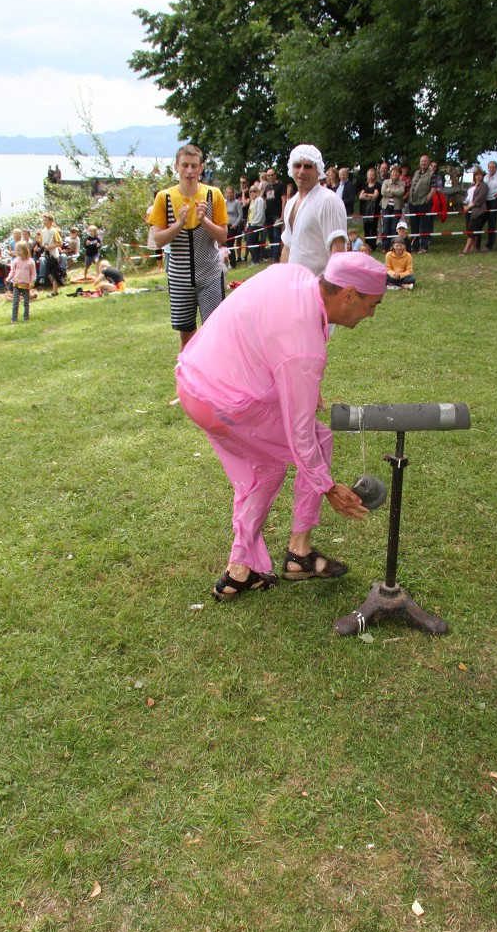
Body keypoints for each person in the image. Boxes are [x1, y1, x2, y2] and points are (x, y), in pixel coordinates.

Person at [175, 251, 387, 600]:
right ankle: (298, 554)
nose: (371, 314)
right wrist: (328, 486)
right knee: (317, 441)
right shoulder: (304, 349)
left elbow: (266, 337)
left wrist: (305, 389)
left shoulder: (292, 274)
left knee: (267, 469)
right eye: (372, 305)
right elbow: (301, 434)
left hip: (194, 382)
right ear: (348, 294)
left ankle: (239, 571)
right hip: (223, 400)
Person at [150, 143, 228, 352]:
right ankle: (187, 381)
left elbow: (223, 236)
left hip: (210, 273)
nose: (190, 171)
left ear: (201, 168)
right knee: (187, 334)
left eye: (194, 166)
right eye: (185, 165)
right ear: (176, 167)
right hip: (179, 276)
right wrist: (178, 225)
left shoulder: (213, 195)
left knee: (214, 331)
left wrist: (205, 221)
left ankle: (213, 379)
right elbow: (158, 240)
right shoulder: (164, 197)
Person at [280, 144, 348, 275]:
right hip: (295, 288)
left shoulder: (328, 200)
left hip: (320, 288)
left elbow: (338, 251)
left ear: (318, 170)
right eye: (297, 165)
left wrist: (328, 290)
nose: (301, 171)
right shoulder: (290, 203)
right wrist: (283, 283)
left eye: (308, 166)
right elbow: (288, 248)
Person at [37, 213, 67, 296]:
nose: (44, 222)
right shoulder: (42, 232)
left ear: (50, 221)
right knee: (49, 272)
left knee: (54, 272)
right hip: (46, 254)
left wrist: (50, 247)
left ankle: (55, 290)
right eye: (43, 220)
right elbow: (41, 242)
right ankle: (54, 289)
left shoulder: (54, 231)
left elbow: (60, 243)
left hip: (53, 254)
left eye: (46, 220)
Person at [408, 155, 433, 253]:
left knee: (424, 225)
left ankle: (424, 246)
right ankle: (414, 246)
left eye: (425, 161)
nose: (423, 163)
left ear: (428, 162)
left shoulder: (432, 174)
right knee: (414, 225)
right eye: (422, 161)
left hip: (424, 204)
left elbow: (433, 190)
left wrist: (426, 200)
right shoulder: (416, 173)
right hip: (413, 203)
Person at [6, 241, 36, 322]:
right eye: (17, 250)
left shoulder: (30, 262)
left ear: (25, 250)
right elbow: (12, 271)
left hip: (26, 285)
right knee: (15, 303)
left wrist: (31, 282)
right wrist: (9, 278)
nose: (17, 252)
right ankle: (14, 319)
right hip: (16, 284)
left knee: (26, 303)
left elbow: (33, 274)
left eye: (19, 250)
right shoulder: (15, 261)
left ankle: (26, 318)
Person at [461, 168, 488, 255]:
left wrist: (470, 206)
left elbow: (479, 199)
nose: (478, 176)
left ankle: (466, 249)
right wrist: (465, 205)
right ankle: (473, 247)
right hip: (469, 210)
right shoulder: (472, 185)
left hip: (478, 210)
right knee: (470, 228)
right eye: (476, 174)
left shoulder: (484, 186)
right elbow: (467, 196)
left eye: (480, 174)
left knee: (471, 229)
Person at [380, 165, 406, 252]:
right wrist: (394, 191)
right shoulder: (386, 182)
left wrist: (390, 190)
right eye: (393, 172)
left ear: (399, 174)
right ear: (390, 173)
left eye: (397, 172)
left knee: (394, 227)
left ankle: (393, 246)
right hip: (386, 207)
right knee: (386, 226)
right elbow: (383, 192)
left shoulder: (401, 183)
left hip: (397, 207)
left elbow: (401, 192)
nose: (394, 174)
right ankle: (385, 246)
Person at [263, 167, 286, 263]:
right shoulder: (267, 187)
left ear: (275, 175)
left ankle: (276, 257)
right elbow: (264, 199)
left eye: (272, 175)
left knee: (277, 235)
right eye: (268, 175)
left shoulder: (280, 186)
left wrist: (282, 215)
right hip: (268, 215)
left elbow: (284, 200)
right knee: (271, 235)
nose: (270, 177)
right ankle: (272, 254)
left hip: (277, 214)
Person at [358, 167, 381, 251]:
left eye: (372, 175)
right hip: (365, 210)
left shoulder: (378, 185)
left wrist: (366, 195)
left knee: (373, 228)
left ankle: (373, 246)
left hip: (374, 209)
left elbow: (375, 196)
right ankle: (367, 246)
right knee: (366, 228)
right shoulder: (364, 185)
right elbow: (360, 196)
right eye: (369, 175)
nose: (371, 176)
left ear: (375, 176)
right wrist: (370, 197)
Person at [245, 184, 266, 264]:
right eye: (250, 191)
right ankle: (256, 259)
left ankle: (255, 260)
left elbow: (260, 214)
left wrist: (252, 224)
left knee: (249, 242)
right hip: (251, 224)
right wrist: (247, 224)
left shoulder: (259, 200)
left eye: (254, 191)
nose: (252, 193)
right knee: (253, 242)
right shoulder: (252, 201)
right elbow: (250, 214)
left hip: (256, 225)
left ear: (257, 192)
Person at [224, 186, 243, 268]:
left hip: (233, 226)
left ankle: (233, 263)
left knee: (230, 244)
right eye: (227, 193)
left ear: (233, 193)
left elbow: (240, 215)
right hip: (226, 225)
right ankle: (228, 262)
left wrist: (235, 224)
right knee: (226, 244)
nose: (229, 194)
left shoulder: (237, 202)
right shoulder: (225, 203)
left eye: (230, 193)